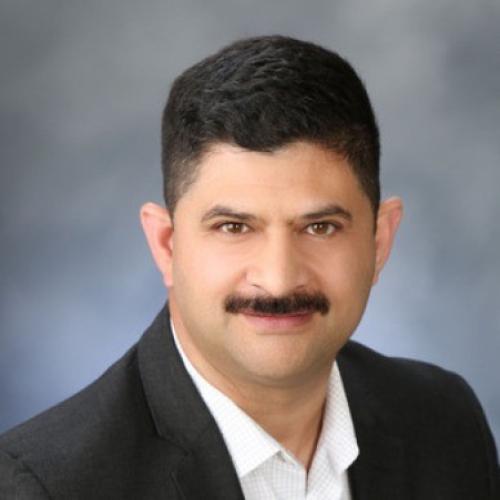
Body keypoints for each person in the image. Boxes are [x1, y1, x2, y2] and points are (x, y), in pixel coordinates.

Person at [0, 35, 498, 500]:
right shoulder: (45, 487)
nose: (278, 280)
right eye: (234, 227)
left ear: (379, 241)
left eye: (320, 227)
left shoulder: (446, 422)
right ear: (166, 245)